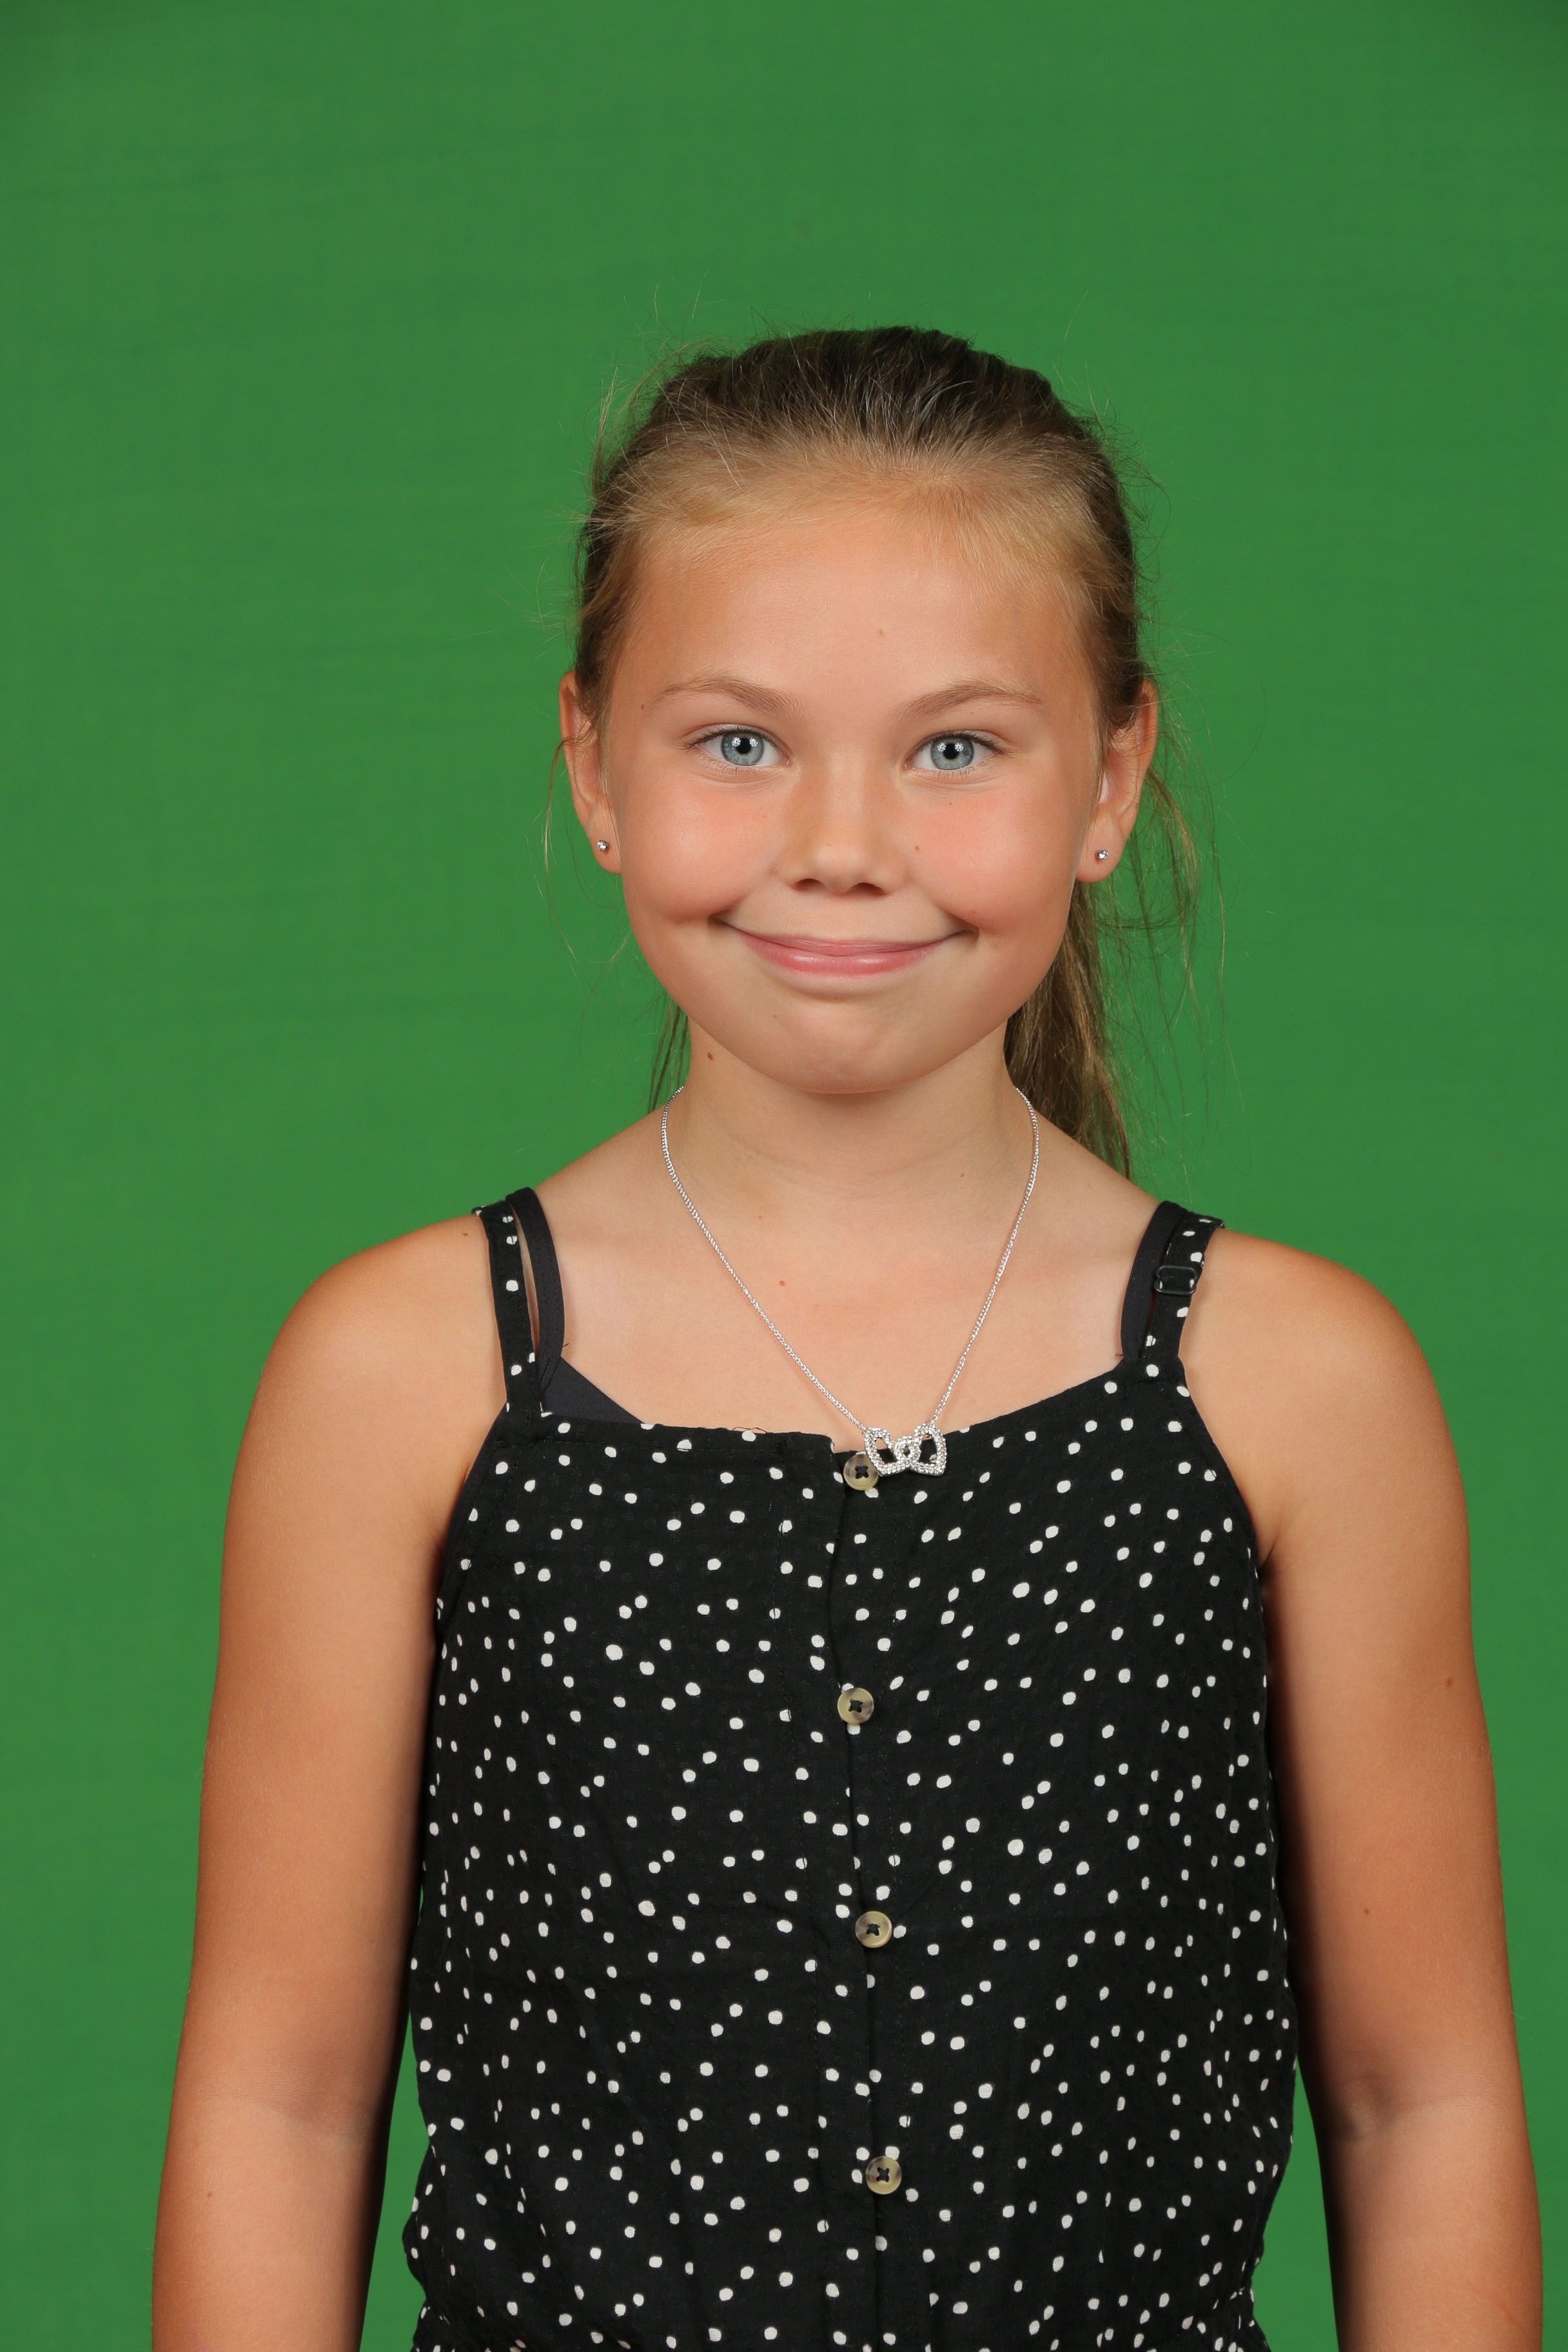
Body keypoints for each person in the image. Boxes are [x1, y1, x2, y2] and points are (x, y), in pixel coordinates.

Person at [152, 328, 1539, 2352]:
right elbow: (279, 2104)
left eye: (954, 750)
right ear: (591, 766)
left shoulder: (1297, 1388)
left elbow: (1425, 2103)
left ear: (1112, 779)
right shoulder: (404, 1374)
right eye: (738, 743)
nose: (841, 841)